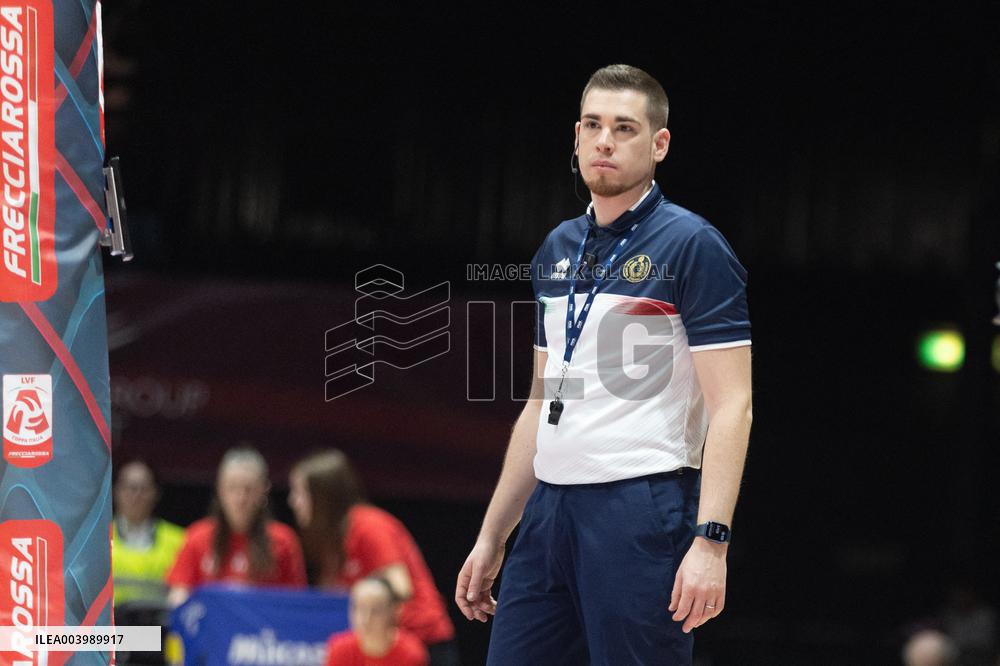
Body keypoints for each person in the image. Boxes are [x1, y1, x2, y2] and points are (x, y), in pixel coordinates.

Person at [455, 64, 753, 665]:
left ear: (659, 143)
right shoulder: (557, 248)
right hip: (548, 514)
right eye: (593, 125)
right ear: (576, 136)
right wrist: (494, 534)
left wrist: (711, 542)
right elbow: (543, 401)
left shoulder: (692, 245)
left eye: (624, 127)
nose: (605, 141)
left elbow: (733, 404)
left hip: (638, 510)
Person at [289, 450, 459, 666]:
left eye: (300, 492)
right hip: (379, 646)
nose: (293, 501)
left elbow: (400, 586)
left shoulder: (368, 526)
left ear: (322, 495)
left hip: (423, 642)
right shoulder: (334, 540)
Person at [166, 448, 306, 605]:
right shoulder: (197, 536)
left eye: (249, 489)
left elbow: (295, 602)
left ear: (264, 489)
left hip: (263, 629)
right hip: (211, 627)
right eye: (232, 487)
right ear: (220, 489)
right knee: (142, 629)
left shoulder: (284, 539)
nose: (240, 498)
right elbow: (179, 594)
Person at [112, 460, 186, 606]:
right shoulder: (95, 540)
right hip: (111, 627)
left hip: (161, 626)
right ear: (116, 491)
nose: (136, 495)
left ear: (156, 493)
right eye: (130, 488)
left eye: (143, 488)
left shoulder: (181, 540)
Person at [325, 576, 428, 666]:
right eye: (359, 608)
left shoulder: (410, 653)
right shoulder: (339, 649)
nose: (366, 619)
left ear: (394, 611)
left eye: (376, 610)